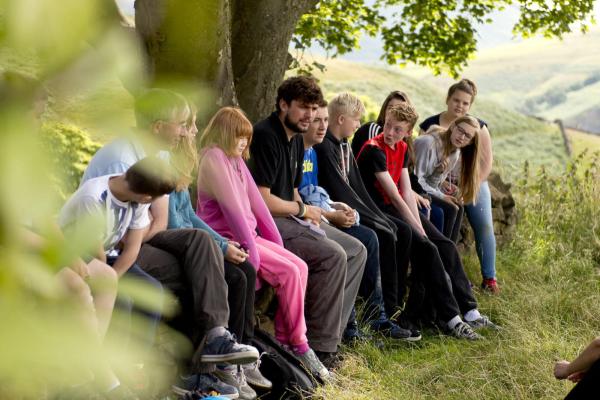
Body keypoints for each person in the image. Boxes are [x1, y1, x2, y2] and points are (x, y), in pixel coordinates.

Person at [81, 88, 258, 398]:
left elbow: (160, 220)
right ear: (158, 127)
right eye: (181, 124)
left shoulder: (158, 153)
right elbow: (120, 235)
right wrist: (150, 228)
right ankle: (199, 367)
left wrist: (152, 226)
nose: (186, 132)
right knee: (199, 267)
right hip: (109, 252)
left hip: (140, 239)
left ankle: (214, 357)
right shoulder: (121, 158)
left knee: (214, 269)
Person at [196, 106, 329, 381]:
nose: (244, 142)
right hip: (229, 238)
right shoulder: (214, 157)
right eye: (239, 136)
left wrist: (277, 244)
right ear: (225, 133)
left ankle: (286, 337)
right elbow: (233, 212)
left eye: (246, 137)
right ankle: (299, 344)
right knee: (290, 273)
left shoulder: (235, 160)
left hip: (250, 236)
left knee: (300, 266)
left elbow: (259, 209)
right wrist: (254, 259)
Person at [248, 76, 366, 367]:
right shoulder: (266, 135)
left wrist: (318, 214)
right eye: (303, 108)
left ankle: (331, 336)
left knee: (357, 250)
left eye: (314, 108)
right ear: (283, 104)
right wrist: (303, 213)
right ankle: (317, 349)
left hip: (292, 215)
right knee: (332, 255)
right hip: (267, 223)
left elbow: (295, 191)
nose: (310, 116)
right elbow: (261, 201)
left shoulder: (296, 142)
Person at [356, 102, 497, 340]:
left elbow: (406, 191)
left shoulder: (401, 148)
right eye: (388, 126)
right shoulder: (373, 149)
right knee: (427, 248)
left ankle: (470, 311)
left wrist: (421, 226)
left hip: (397, 206)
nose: (389, 133)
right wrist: (419, 230)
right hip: (377, 207)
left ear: (408, 132)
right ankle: (452, 319)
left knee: (446, 246)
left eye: (397, 129)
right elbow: (393, 197)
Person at [302, 96, 418, 341]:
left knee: (395, 230)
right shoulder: (324, 148)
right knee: (374, 236)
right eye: (356, 120)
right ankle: (377, 315)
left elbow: (355, 188)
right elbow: (338, 188)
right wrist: (371, 219)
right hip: (330, 214)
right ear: (342, 119)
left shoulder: (343, 144)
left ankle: (391, 308)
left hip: (338, 208)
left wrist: (376, 217)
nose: (358, 126)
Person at [169, 109, 267, 399]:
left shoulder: (182, 162)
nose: (196, 131)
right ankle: (218, 364)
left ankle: (237, 358)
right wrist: (221, 245)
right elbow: (176, 224)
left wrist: (224, 246)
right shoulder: (197, 159)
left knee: (244, 270)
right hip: (175, 243)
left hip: (193, 240)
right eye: (189, 125)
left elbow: (187, 214)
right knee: (234, 278)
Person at [60, 157, 176, 365]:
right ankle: (111, 365)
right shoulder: (94, 196)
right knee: (123, 300)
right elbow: (97, 254)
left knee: (153, 292)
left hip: (110, 257)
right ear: (147, 197)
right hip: (78, 252)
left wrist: (117, 276)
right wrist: (112, 281)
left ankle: (136, 366)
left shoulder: (137, 198)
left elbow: (133, 247)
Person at [419, 79, 499, 293]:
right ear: (448, 99)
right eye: (456, 100)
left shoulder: (479, 127)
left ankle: (489, 278)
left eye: (465, 103)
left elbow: (485, 163)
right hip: (440, 182)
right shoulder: (429, 125)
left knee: (483, 224)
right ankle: (444, 273)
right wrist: (442, 183)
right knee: (444, 218)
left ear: (470, 106)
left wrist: (467, 189)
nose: (459, 106)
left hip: (472, 181)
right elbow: (423, 164)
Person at [352, 91, 444, 233]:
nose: (390, 132)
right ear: (385, 111)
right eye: (391, 108)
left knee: (432, 211)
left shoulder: (403, 145)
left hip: (394, 194)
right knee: (407, 229)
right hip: (377, 198)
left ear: (408, 130)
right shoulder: (375, 137)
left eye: (400, 108)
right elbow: (385, 176)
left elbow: (409, 176)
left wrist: (419, 193)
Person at [413, 119, 481, 243]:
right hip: (411, 187)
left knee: (458, 207)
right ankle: (442, 253)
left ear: (470, 142)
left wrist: (438, 174)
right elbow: (415, 180)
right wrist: (442, 196)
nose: (462, 137)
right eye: (460, 130)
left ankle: (449, 250)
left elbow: (432, 183)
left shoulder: (455, 152)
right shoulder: (428, 143)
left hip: (423, 189)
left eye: (468, 136)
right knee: (443, 211)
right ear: (453, 126)